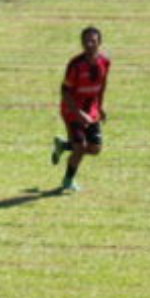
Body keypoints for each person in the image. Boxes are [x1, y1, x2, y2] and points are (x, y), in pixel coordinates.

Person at [50, 26, 110, 193]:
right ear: (82, 43)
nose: (89, 44)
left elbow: (102, 85)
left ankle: (63, 145)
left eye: (93, 41)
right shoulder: (75, 65)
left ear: (99, 43)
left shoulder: (105, 62)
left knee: (95, 149)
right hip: (72, 110)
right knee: (80, 147)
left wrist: (100, 106)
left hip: (91, 109)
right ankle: (67, 181)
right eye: (86, 41)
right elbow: (64, 92)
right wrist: (78, 114)